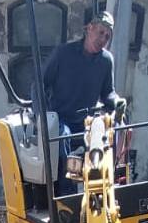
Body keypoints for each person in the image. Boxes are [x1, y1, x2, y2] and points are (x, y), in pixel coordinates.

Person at [37, 10, 125, 194]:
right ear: (89, 28)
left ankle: (101, 195)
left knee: (102, 144)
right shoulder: (63, 54)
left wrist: (117, 102)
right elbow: (40, 84)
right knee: (63, 140)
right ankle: (67, 199)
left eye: (107, 36)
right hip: (61, 118)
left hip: (87, 121)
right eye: (101, 32)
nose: (103, 39)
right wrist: (42, 115)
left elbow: (108, 93)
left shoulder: (106, 61)